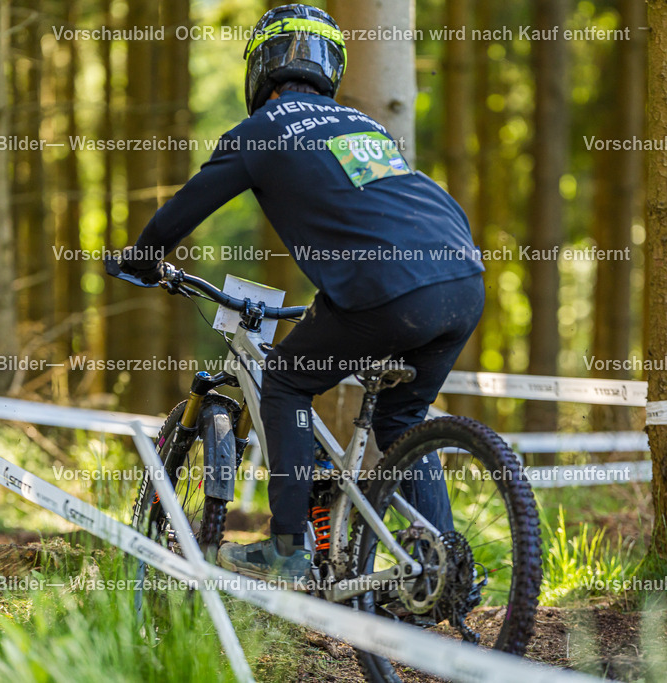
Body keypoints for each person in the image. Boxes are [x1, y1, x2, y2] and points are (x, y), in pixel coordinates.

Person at [116, 4, 485, 583]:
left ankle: (289, 548)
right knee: (405, 415)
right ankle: (443, 570)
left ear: (261, 66)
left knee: (286, 379)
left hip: (386, 288)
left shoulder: (260, 131)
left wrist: (142, 257)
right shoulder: (368, 128)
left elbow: (183, 210)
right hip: (462, 278)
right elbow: (377, 216)